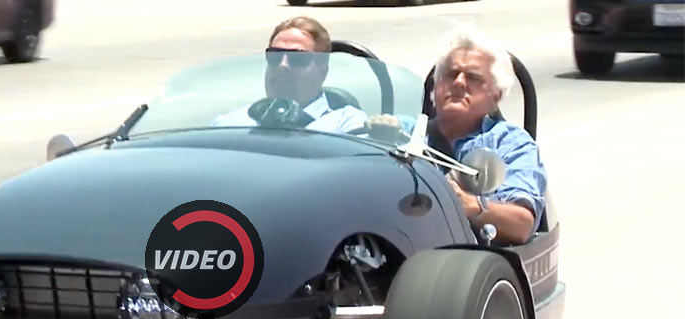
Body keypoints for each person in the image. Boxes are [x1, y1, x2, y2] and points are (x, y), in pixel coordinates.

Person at [390, 28, 548, 245]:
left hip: (467, 263)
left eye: (473, 77)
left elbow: (521, 224)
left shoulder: (510, 143)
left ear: (495, 95)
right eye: (451, 74)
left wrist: (470, 205)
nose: (459, 83)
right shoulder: (402, 132)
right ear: (435, 87)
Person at [211, 16, 368, 133]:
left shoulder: (347, 126)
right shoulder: (229, 126)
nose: (282, 65)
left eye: (297, 59)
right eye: (275, 57)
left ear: (322, 70)